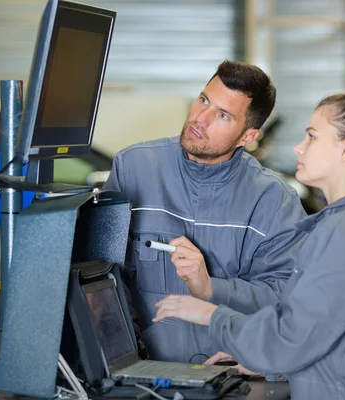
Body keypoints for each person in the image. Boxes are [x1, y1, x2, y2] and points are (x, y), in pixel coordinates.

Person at [153, 91, 345, 399]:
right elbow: (338, 334)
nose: (299, 147)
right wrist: (278, 368)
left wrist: (210, 315)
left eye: (312, 137)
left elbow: (290, 337)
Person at [103, 60, 307, 363]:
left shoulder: (274, 201)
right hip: (141, 376)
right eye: (203, 100)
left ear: (248, 136)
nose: (201, 119)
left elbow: (289, 297)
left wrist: (213, 289)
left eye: (222, 115)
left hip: (229, 381)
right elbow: (103, 275)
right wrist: (130, 354)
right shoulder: (133, 169)